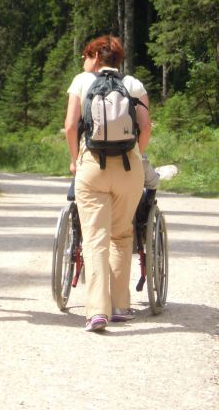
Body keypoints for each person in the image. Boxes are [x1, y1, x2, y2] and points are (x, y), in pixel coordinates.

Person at [63, 35, 151, 331]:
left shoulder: (82, 81)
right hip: (129, 167)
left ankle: (96, 312)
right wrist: (138, 153)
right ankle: (120, 306)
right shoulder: (134, 85)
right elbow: (146, 126)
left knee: (95, 237)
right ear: (119, 58)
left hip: (92, 166)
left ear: (97, 59)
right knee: (122, 235)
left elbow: (70, 125)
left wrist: (75, 159)